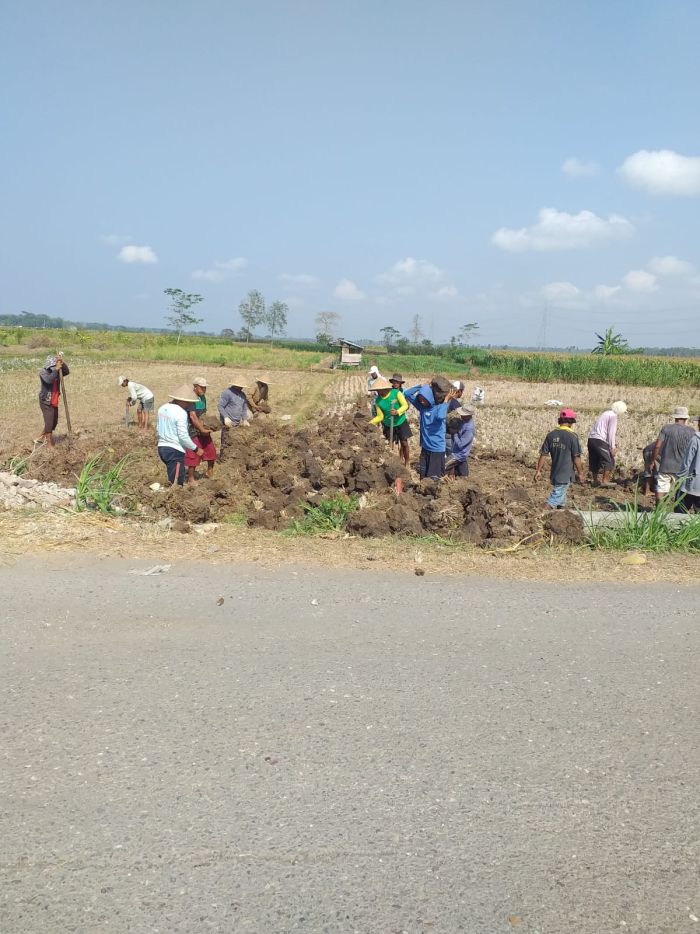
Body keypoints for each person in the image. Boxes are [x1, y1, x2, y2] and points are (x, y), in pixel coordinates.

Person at [404, 376, 459, 479]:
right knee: (424, 476)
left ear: (430, 397)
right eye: (420, 399)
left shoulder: (439, 408)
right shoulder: (422, 408)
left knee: (434, 478)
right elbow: (407, 394)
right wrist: (421, 386)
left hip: (436, 449)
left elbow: (441, 416)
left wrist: (446, 401)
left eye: (424, 399)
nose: (422, 402)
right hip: (425, 447)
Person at [534, 409, 584, 509]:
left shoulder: (551, 435)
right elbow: (576, 457)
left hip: (555, 472)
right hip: (565, 474)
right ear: (571, 422)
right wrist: (581, 473)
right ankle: (540, 515)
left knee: (561, 498)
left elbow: (543, 454)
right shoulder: (572, 437)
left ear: (559, 421)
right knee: (554, 499)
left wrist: (538, 471)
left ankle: (560, 515)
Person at [156, 385, 203, 486]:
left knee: (172, 475)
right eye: (188, 402)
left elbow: (158, 428)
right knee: (177, 482)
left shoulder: (162, 408)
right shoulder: (180, 413)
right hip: (175, 450)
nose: (189, 404)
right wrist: (195, 449)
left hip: (162, 447)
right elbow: (183, 436)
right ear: (183, 401)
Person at [650, 406, 696, 504]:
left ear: (675, 417)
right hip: (682, 467)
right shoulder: (691, 431)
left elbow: (657, 446)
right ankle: (677, 512)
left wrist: (653, 461)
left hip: (665, 465)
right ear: (686, 418)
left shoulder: (666, 428)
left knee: (661, 486)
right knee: (680, 490)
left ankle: (658, 509)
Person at [368, 374, 412, 467]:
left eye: (379, 390)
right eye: (376, 390)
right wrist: (369, 423)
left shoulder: (396, 393)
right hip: (388, 424)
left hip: (400, 422)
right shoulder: (378, 401)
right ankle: (391, 463)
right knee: (389, 445)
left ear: (384, 388)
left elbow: (405, 405)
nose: (378, 392)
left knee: (404, 443)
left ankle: (407, 462)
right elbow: (380, 416)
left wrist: (397, 411)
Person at [184, 377, 217, 484]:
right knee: (193, 453)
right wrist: (201, 429)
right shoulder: (190, 398)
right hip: (192, 429)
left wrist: (210, 424)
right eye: (201, 387)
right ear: (195, 387)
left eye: (205, 387)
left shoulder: (203, 398)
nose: (204, 389)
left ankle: (210, 471)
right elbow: (193, 417)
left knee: (211, 450)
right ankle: (190, 478)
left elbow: (204, 413)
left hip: (202, 427)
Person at [587, 400, 627, 485]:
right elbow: (611, 433)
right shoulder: (613, 416)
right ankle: (605, 481)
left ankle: (595, 480)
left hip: (591, 439)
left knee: (594, 459)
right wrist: (612, 447)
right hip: (599, 440)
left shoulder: (605, 413)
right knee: (609, 459)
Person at [36, 353, 70, 447]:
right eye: (53, 366)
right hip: (46, 401)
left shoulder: (58, 371)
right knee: (49, 421)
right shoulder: (43, 372)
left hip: (54, 399)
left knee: (54, 422)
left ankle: (41, 437)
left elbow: (66, 372)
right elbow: (49, 380)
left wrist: (62, 363)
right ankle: (49, 443)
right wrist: (56, 369)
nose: (54, 368)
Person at [218, 379, 251, 460]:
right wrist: (225, 417)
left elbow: (244, 408)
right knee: (225, 440)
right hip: (227, 422)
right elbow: (220, 406)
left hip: (237, 422)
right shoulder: (227, 393)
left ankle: (232, 459)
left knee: (234, 441)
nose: (241, 388)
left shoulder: (242, 394)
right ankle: (223, 458)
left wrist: (245, 419)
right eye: (240, 386)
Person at [676, 414, 700, 513]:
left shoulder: (696, 439)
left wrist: (679, 478)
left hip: (691, 484)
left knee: (680, 512)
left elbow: (686, 462)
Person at [445, 405, 476, 477]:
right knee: (463, 476)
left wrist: (455, 433)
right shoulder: (463, 421)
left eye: (463, 414)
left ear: (469, 415)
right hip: (459, 453)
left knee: (442, 467)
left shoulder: (469, 429)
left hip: (458, 455)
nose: (461, 415)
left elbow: (461, 445)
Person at [446, 381, 465, 455]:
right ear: (459, 391)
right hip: (449, 435)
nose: (462, 393)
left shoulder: (445, 400)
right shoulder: (455, 404)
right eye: (462, 391)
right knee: (450, 456)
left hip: (442, 432)